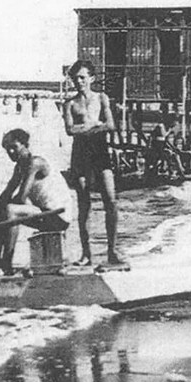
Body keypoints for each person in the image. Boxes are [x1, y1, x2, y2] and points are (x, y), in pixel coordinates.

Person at [0, 128, 72, 274]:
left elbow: (21, 198)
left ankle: (5, 262)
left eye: (14, 147)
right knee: (4, 209)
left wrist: (2, 212)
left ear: (25, 145)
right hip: (46, 213)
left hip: (59, 216)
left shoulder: (35, 163)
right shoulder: (20, 167)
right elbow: (6, 194)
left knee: (10, 210)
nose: (10, 152)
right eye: (7, 149)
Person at [63, 59, 121, 266]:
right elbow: (69, 130)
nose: (79, 82)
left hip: (100, 152)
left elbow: (111, 125)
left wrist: (87, 128)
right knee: (84, 204)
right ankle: (86, 254)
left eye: (82, 77)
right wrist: (95, 125)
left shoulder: (101, 98)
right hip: (80, 155)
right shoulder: (70, 104)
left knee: (111, 201)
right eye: (75, 78)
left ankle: (112, 251)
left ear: (92, 78)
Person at [145, 112, 185, 181]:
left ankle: (180, 172)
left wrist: (173, 148)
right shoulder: (161, 126)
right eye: (174, 122)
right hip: (156, 146)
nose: (175, 124)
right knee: (169, 155)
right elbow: (164, 135)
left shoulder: (165, 126)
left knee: (175, 154)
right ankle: (172, 172)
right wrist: (169, 130)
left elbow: (166, 140)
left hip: (161, 145)